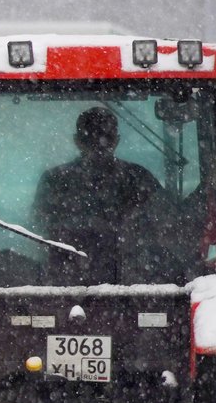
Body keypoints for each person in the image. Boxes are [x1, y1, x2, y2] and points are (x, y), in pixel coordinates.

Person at [32, 107, 159, 284]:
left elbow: (39, 228)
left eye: (105, 138)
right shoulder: (138, 178)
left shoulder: (54, 180)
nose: (99, 145)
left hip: (70, 288)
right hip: (129, 289)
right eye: (91, 139)